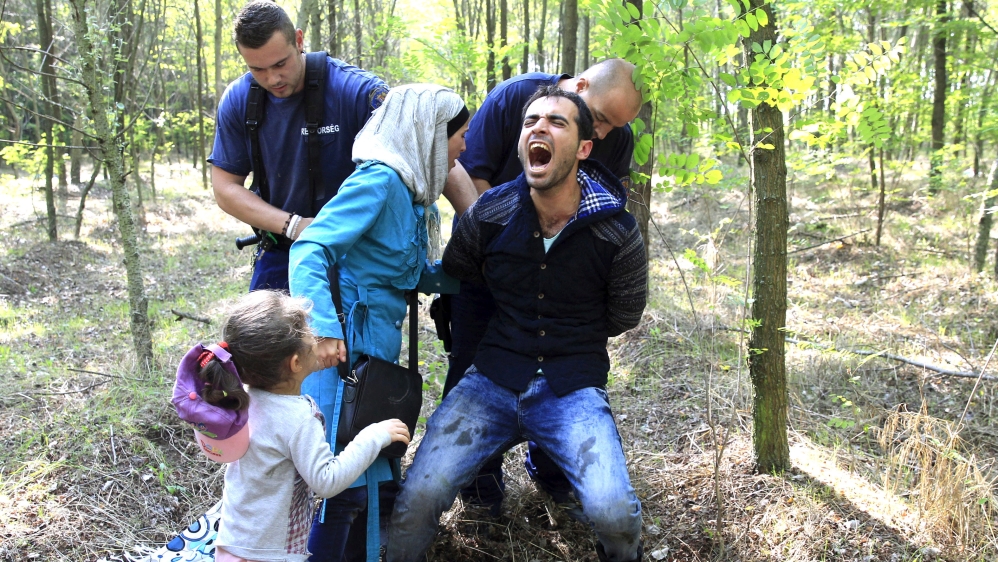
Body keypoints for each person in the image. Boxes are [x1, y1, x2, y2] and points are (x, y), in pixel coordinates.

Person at [387, 86, 647, 562]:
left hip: (573, 388)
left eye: (557, 122)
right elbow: (462, 271)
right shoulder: (492, 212)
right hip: (491, 381)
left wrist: (570, 336)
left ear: (585, 149)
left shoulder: (617, 230)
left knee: (616, 516)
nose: (538, 129)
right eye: (531, 122)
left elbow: (624, 314)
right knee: (417, 501)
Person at [441, 58, 643, 516]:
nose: (609, 133)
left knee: (566, 377)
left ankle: (554, 478)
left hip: (565, 285)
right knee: (473, 368)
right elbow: (466, 172)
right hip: (487, 269)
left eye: (617, 126)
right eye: (605, 119)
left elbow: (607, 204)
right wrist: (502, 245)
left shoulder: (617, 138)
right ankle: (480, 491)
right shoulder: (518, 98)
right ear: (582, 84)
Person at [288, 84, 469, 562]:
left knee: (367, 481)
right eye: (459, 136)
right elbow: (310, 248)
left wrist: (479, 276)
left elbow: (407, 271)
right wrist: (324, 330)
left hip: (375, 356)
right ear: (429, 134)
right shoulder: (380, 182)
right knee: (337, 488)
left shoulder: (412, 195)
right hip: (342, 354)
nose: (463, 148)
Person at [208, 1, 476, 292]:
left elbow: (427, 149)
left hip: (359, 257)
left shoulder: (357, 91)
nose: (273, 78)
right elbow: (225, 188)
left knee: (348, 338)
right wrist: (295, 225)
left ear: (299, 40)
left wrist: (479, 232)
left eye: (280, 64)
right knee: (264, 336)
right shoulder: (240, 100)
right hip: (282, 247)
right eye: (257, 69)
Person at [172, 290, 411, 562]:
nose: (315, 335)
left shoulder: (241, 397)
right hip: (269, 555)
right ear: (295, 363)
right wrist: (373, 436)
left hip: (232, 545)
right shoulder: (298, 419)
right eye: (309, 332)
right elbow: (326, 481)